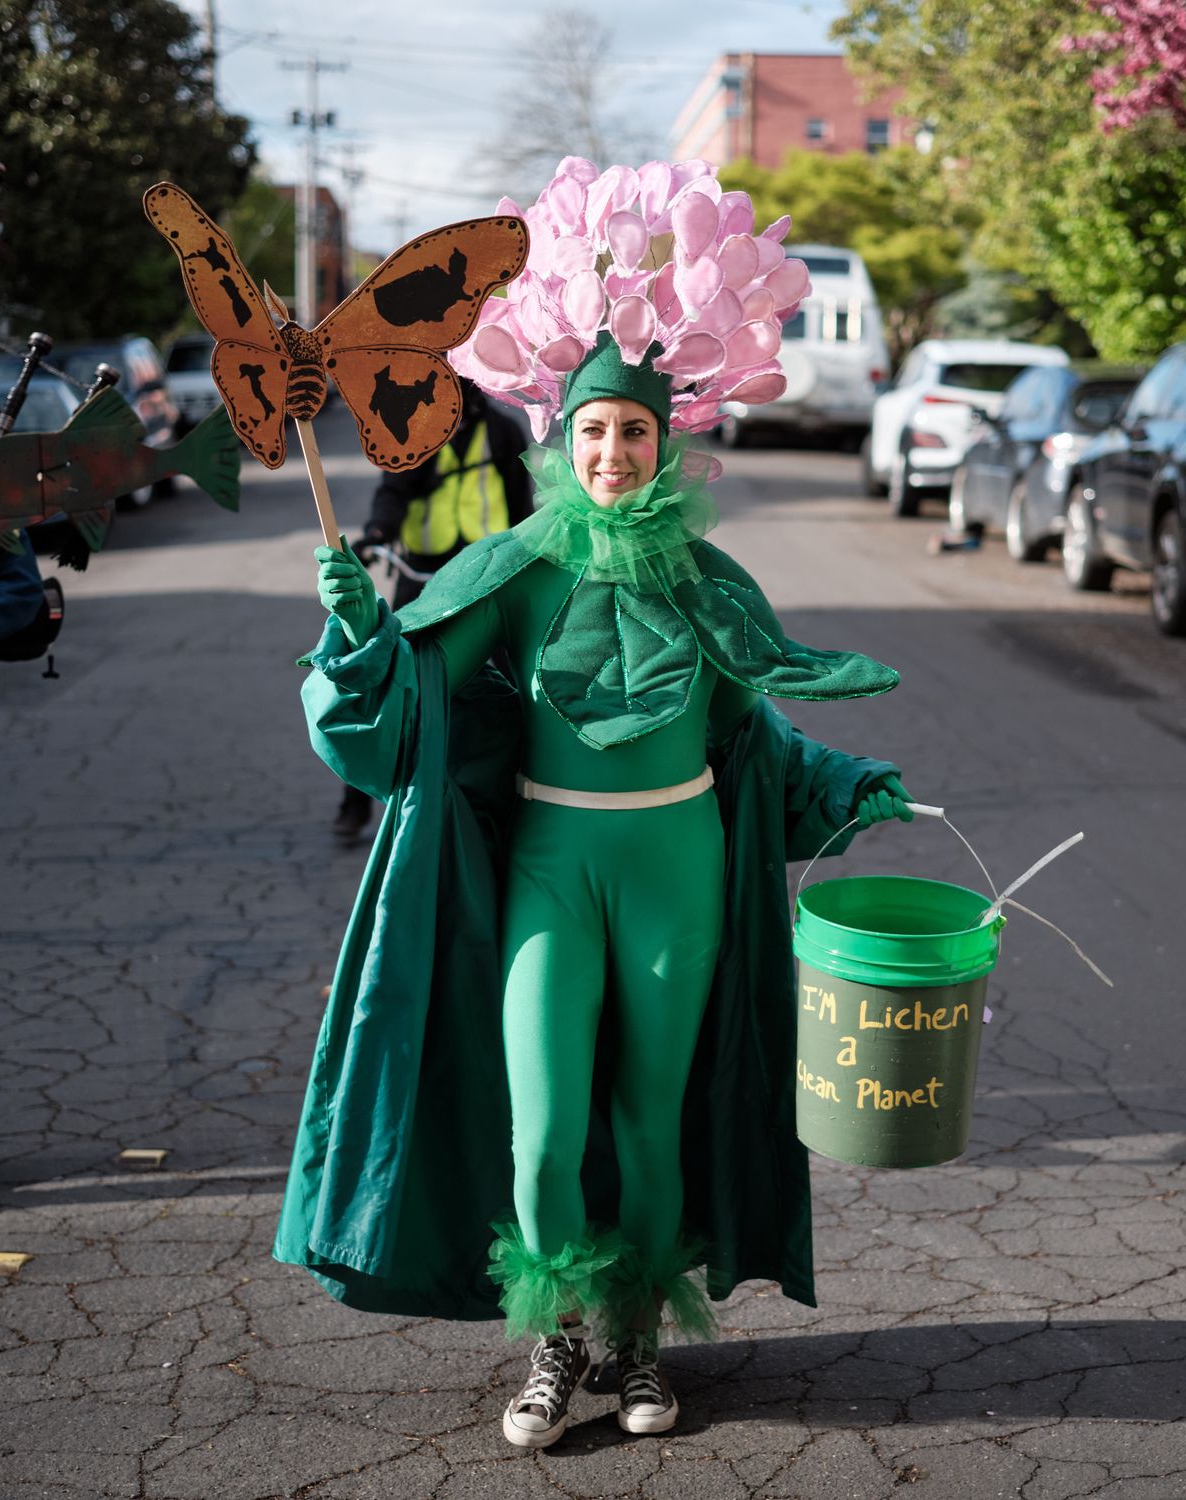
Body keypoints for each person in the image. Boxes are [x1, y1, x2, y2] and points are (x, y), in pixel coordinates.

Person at [275, 159, 914, 1451]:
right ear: (562, 444)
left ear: (667, 441)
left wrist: (844, 785)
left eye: (634, 431)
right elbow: (412, 700)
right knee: (545, 1129)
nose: (614, 452)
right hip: (553, 865)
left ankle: (636, 1343)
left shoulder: (707, 575)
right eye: (592, 433)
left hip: (676, 862)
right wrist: (357, 636)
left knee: (648, 1118)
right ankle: (556, 1339)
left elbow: (752, 722)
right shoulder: (515, 564)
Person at [331, 376, 533, 841]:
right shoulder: (417, 430)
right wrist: (378, 533)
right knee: (388, 681)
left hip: (487, 580)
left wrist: (530, 557)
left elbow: (521, 509)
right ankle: (355, 801)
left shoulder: (503, 432)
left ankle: (521, 789)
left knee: (513, 683)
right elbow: (393, 492)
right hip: (423, 574)